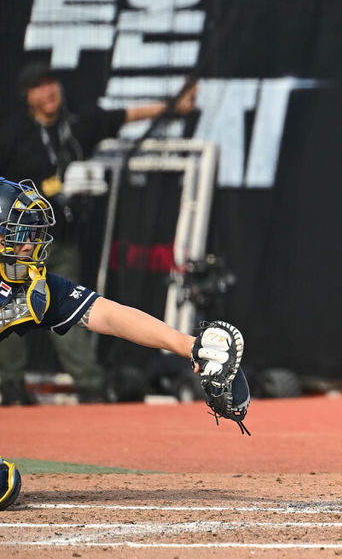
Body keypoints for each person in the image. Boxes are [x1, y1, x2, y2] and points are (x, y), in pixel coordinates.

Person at [0, 178, 246, 511]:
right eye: (19, 234)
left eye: (32, 235)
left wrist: (188, 345)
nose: (30, 244)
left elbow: (108, 315)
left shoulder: (28, 285)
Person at [0, 61, 196, 404]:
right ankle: (11, 387)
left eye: (51, 83)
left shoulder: (75, 126)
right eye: (38, 86)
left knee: (50, 307)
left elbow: (106, 314)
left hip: (61, 239)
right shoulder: (14, 134)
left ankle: (89, 386)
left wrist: (186, 344)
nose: (48, 91)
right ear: (27, 97)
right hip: (14, 249)